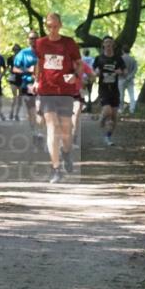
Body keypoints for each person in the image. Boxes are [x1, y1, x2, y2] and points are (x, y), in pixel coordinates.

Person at [33, 13, 82, 183]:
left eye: (55, 26)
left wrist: (75, 75)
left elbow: (79, 63)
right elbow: (39, 64)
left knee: (66, 130)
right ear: (46, 26)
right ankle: (55, 169)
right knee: (52, 128)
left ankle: (66, 153)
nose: (52, 29)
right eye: (49, 26)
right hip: (47, 91)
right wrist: (35, 81)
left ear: (60, 25)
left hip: (65, 91)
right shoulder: (40, 43)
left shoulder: (69, 43)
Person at [11, 31, 43, 146]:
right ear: (28, 40)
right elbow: (15, 69)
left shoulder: (44, 52)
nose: (33, 40)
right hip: (28, 85)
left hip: (42, 85)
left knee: (40, 108)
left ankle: (40, 133)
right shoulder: (23, 53)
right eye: (31, 38)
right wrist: (27, 70)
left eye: (35, 38)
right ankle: (34, 131)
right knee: (31, 111)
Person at [93, 36, 126, 146]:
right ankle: (102, 118)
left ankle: (108, 137)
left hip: (115, 90)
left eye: (110, 43)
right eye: (106, 43)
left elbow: (125, 70)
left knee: (114, 117)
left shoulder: (118, 58)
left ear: (113, 45)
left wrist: (120, 71)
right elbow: (94, 71)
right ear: (103, 45)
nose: (108, 45)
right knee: (108, 111)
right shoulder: (99, 58)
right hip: (103, 89)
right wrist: (96, 72)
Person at [71, 54, 94, 147]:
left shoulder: (83, 64)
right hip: (64, 94)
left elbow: (92, 76)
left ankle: (73, 139)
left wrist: (87, 81)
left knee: (76, 116)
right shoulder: (63, 64)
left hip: (78, 93)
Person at [119, 45, 139, 115]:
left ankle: (121, 109)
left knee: (121, 95)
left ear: (122, 51)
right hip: (130, 80)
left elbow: (118, 69)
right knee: (132, 95)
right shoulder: (133, 59)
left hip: (121, 79)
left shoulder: (120, 59)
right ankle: (132, 109)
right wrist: (130, 76)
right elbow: (135, 69)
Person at [7, 43, 23, 120]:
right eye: (15, 50)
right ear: (13, 50)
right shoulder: (10, 59)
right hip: (13, 79)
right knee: (15, 97)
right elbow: (8, 68)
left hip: (21, 78)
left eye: (18, 50)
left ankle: (16, 114)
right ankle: (11, 112)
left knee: (20, 98)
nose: (16, 51)